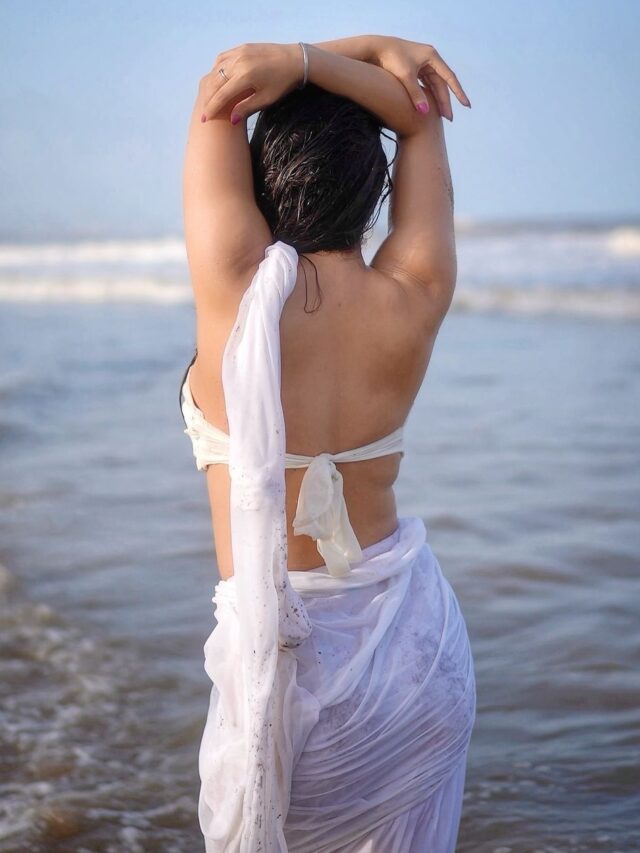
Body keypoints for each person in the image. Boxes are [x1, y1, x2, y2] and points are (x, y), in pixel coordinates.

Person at [179, 35, 476, 852]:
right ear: (376, 189)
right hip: (417, 654)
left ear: (261, 176)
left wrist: (323, 59)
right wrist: (334, 60)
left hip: (290, 679)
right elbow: (419, 121)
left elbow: (222, 85)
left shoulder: (236, 289)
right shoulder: (415, 290)